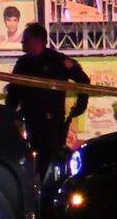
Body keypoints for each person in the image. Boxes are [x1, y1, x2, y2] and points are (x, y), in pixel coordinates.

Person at [6, 23, 90, 183]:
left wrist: (80, 105)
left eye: (26, 40)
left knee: (53, 158)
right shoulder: (23, 63)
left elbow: (83, 81)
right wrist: (9, 114)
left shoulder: (58, 60)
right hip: (30, 119)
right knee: (33, 158)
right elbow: (14, 91)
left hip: (52, 122)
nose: (22, 43)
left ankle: (53, 188)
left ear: (37, 40)